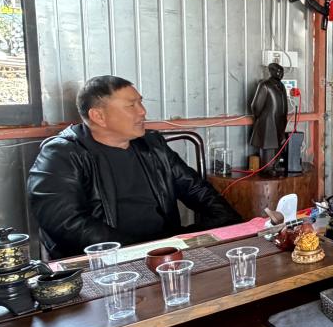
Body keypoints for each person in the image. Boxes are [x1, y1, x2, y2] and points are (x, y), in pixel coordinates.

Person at [28, 75, 242, 259]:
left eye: (140, 103)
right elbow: (66, 223)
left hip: (164, 253)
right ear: (98, 116)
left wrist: (229, 224)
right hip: (106, 263)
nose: (142, 112)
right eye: (131, 106)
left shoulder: (152, 145)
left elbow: (197, 190)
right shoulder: (61, 154)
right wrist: (140, 250)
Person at [249, 62, 289, 173]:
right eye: (278, 71)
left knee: (278, 143)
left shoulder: (282, 86)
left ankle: (276, 165)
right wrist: (262, 118)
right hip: (268, 121)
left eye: (282, 72)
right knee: (268, 145)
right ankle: (267, 168)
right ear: (271, 71)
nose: (280, 74)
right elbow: (255, 106)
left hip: (280, 120)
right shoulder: (265, 85)